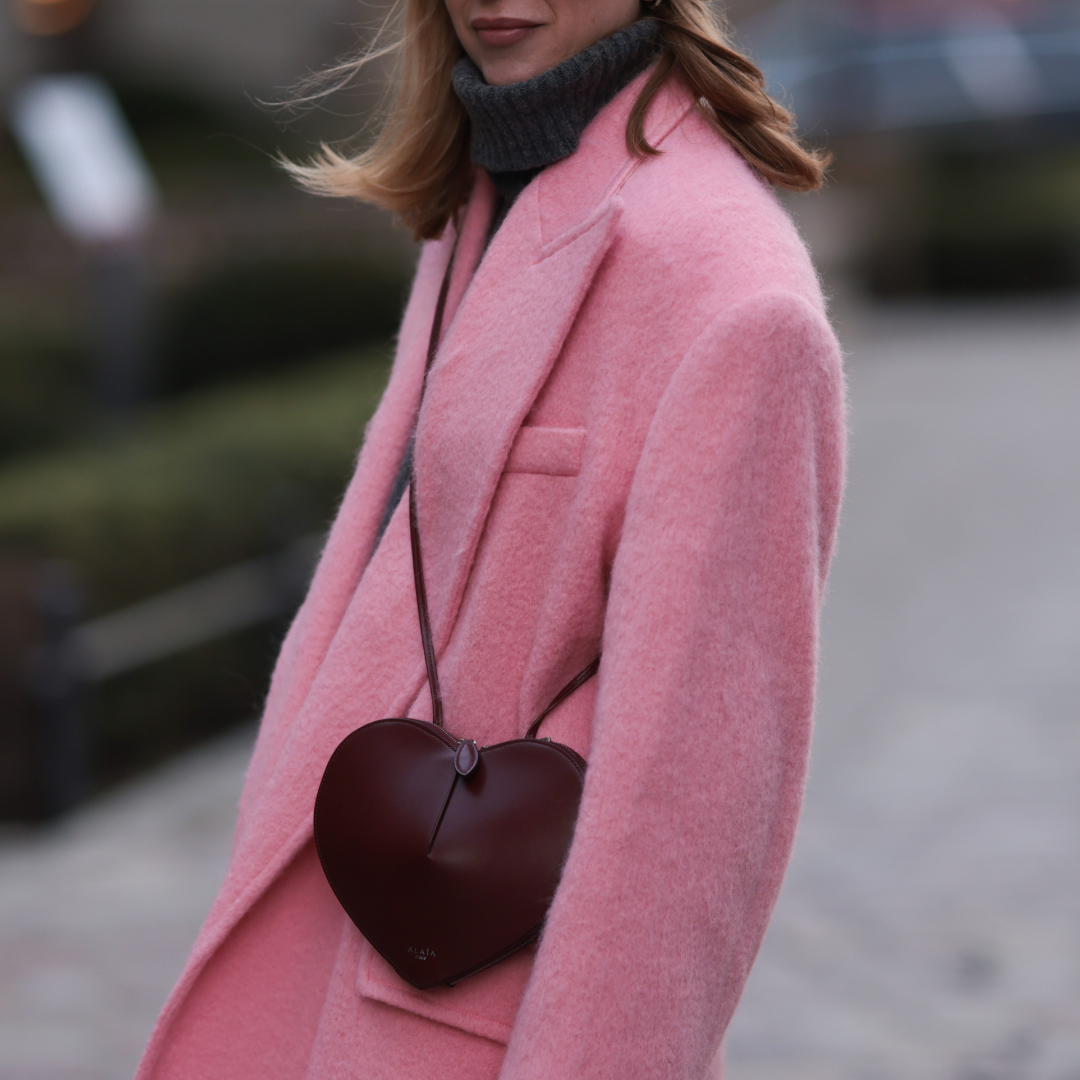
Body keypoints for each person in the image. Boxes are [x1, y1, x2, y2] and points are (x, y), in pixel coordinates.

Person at [135, 0, 846, 1077]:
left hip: (460, 1019)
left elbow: (687, 834)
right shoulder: (485, 198)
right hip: (332, 967)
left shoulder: (733, 296)